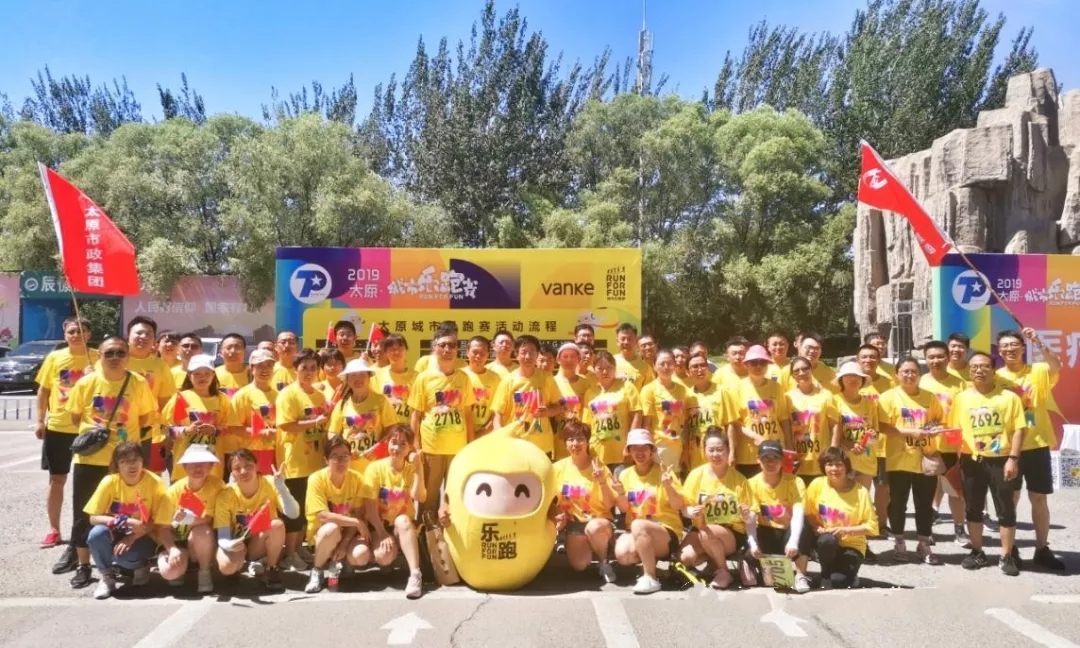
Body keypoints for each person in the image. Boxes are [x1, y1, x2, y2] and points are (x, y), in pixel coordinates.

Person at [63, 336, 156, 589]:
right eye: (109, 353)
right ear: (99, 356)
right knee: (84, 513)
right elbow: (75, 417)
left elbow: (145, 417)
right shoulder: (86, 382)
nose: (115, 358)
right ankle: (84, 565)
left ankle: (122, 561)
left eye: (120, 353)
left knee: (126, 510)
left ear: (128, 356)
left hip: (125, 461)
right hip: (91, 459)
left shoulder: (138, 383)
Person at [949, 351, 1027, 576]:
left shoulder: (1009, 398)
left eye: (984, 366)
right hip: (971, 461)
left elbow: (1019, 429)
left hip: (1001, 460)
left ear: (993, 370)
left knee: (1006, 509)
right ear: (969, 371)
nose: (979, 371)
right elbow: (955, 430)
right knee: (973, 508)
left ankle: (1006, 555)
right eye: (974, 367)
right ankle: (977, 552)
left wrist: (1013, 459)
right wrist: (956, 460)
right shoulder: (962, 398)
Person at [996, 328, 1065, 570]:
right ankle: (1010, 549)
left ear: (1023, 348)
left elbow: (1056, 365)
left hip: (1037, 444)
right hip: (1007, 448)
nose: (1010, 349)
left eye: (1014, 345)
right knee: (1011, 499)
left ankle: (1042, 548)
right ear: (999, 351)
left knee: (1039, 498)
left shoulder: (1038, 371)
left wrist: (1040, 342)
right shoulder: (996, 377)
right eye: (1005, 346)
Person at [36, 317, 97, 559]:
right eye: (72, 331)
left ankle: (93, 530)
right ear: (65, 335)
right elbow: (43, 391)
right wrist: (40, 420)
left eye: (82, 330)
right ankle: (54, 529)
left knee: (93, 482)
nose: (77, 335)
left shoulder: (98, 358)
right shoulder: (54, 358)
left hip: (89, 428)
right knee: (57, 479)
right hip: (59, 427)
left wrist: (94, 375)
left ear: (89, 334)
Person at [84, 441, 175, 600]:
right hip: (117, 530)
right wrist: (123, 521)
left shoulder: (155, 483)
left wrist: (132, 537)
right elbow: (93, 517)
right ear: (117, 465)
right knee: (96, 535)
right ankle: (107, 577)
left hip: (145, 535)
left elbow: (159, 521)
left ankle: (141, 565)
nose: (131, 465)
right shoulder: (109, 481)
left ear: (142, 461)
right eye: (124, 461)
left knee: (124, 558)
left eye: (136, 459)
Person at [879, 358, 946, 565]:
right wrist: (911, 432)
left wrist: (934, 428)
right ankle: (899, 542)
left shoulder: (929, 397)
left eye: (914, 371)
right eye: (905, 371)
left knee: (924, 505)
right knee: (898, 504)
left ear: (919, 374)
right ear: (896, 374)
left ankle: (924, 543)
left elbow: (939, 420)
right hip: (898, 460)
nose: (910, 375)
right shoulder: (888, 397)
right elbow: (882, 426)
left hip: (925, 458)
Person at [408, 322, 476, 517]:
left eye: (452, 345)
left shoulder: (464, 378)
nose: (447, 350)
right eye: (442, 345)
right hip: (431, 448)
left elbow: (468, 414)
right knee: (429, 498)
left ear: (457, 350)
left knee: (456, 496)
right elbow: (416, 415)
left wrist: (471, 445)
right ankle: (427, 531)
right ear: (434, 348)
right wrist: (416, 446)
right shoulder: (424, 378)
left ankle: (451, 534)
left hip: (458, 449)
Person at [276, 348, 331, 570]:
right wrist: (314, 422)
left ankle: (299, 548)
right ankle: (289, 553)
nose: (309, 372)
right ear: (295, 369)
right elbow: (285, 425)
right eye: (304, 368)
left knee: (307, 509)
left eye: (313, 368)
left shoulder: (319, 396)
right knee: (294, 511)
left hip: (315, 462)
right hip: (295, 461)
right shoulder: (288, 394)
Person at [679, 428, 754, 589]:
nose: (716, 454)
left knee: (707, 532)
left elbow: (752, 514)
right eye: (711, 450)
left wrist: (746, 514)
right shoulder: (696, 475)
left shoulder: (740, 480)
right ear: (704, 451)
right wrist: (691, 512)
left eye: (720, 450)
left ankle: (724, 571)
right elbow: (685, 507)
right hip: (700, 529)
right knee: (685, 558)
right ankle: (714, 561)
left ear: (728, 450)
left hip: (731, 532)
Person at [614, 429, 685, 595]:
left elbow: (678, 505)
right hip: (639, 532)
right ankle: (652, 565)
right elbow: (624, 509)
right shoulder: (625, 475)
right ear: (629, 451)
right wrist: (621, 493)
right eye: (635, 448)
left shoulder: (664, 472)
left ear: (652, 450)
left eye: (644, 448)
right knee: (623, 555)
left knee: (638, 525)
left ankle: (650, 577)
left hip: (665, 532)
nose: (640, 452)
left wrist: (668, 486)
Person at [214, 449, 297, 590]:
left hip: (259, 542)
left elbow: (293, 514)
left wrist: (282, 488)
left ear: (257, 466)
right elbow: (223, 537)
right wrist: (230, 545)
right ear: (232, 473)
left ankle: (272, 568)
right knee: (227, 567)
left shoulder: (272, 482)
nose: (243, 471)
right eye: (237, 468)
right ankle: (236, 567)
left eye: (248, 465)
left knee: (277, 525)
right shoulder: (226, 495)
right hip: (237, 543)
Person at [364, 425, 427, 599]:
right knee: (384, 557)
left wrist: (419, 469)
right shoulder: (374, 468)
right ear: (387, 443)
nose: (397, 448)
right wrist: (382, 533)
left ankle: (415, 574)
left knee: (403, 520)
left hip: (402, 526)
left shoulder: (411, 469)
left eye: (403, 444)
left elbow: (419, 497)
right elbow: (369, 507)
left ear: (410, 448)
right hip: (381, 524)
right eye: (393, 442)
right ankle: (385, 556)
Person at [304, 435, 372, 594]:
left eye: (345, 456)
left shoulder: (357, 479)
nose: (341, 461)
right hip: (323, 534)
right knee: (331, 529)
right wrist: (356, 522)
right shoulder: (316, 479)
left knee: (361, 555)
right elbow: (323, 515)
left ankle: (342, 561)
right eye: (335, 457)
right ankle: (317, 570)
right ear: (326, 460)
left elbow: (358, 514)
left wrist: (344, 544)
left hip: (347, 534)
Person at [552, 420, 618, 584]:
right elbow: (550, 499)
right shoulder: (557, 468)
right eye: (570, 439)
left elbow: (610, 504)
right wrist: (556, 515)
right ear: (565, 443)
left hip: (598, 521)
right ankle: (589, 545)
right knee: (580, 565)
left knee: (594, 528)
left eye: (580, 439)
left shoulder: (598, 466)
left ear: (587, 442)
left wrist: (602, 481)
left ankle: (604, 560)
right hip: (573, 524)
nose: (575, 444)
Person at [746, 440, 815, 593]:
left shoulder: (795, 481)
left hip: (789, 532)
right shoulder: (751, 484)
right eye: (766, 458)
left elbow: (798, 512)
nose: (770, 463)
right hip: (767, 532)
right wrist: (753, 543)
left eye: (775, 458)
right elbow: (751, 518)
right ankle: (755, 566)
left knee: (804, 527)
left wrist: (793, 541)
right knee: (772, 580)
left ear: (782, 460)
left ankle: (801, 575)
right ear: (758, 460)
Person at [805, 447, 879, 589]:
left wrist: (845, 530)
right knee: (826, 540)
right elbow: (807, 512)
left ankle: (845, 576)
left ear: (846, 467)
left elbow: (872, 527)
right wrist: (816, 526)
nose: (834, 469)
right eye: (829, 464)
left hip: (851, 546)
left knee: (838, 582)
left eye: (839, 464)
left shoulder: (860, 492)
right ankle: (824, 574)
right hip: (825, 542)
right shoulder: (817, 484)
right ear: (824, 467)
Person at [920, 340, 969, 546]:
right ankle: (926, 531)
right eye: (931, 357)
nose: (936, 360)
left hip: (952, 445)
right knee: (926, 490)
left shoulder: (960, 383)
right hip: (927, 445)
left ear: (948, 358)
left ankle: (959, 529)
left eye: (940, 356)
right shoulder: (920, 382)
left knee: (955, 490)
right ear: (925, 359)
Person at [161, 444, 225, 593]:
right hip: (179, 541)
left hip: (205, 540)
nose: (198, 468)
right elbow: (162, 527)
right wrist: (172, 549)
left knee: (202, 531)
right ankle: (183, 564)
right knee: (169, 572)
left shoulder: (219, 486)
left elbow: (211, 519)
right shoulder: (173, 490)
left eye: (203, 463)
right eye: (192, 464)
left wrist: (188, 519)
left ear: (211, 465)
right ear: (184, 467)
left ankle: (204, 571)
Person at [164, 354, 237, 483]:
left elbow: (230, 428)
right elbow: (166, 429)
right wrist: (186, 430)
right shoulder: (181, 398)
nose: (202, 377)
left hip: (213, 463)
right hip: (185, 464)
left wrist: (215, 431)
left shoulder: (222, 399)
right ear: (189, 375)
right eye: (197, 374)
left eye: (207, 373)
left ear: (213, 375)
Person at [491, 334, 564, 456]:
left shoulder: (546, 378)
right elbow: (497, 413)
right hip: (515, 443)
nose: (528, 356)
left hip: (541, 444)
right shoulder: (508, 381)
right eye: (524, 352)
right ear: (516, 354)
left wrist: (547, 411)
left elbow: (559, 406)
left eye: (532, 352)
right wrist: (499, 433)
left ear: (537, 354)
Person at [123, 317, 177, 476]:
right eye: (139, 333)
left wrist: (167, 431)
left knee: (150, 477)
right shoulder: (116, 360)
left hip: (149, 433)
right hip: (118, 430)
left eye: (148, 334)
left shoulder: (160, 365)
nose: (143, 337)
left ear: (154, 340)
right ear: (128, 336)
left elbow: (166, 402)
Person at [729, 345, 792, 479]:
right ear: (746, 365)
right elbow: (735, 422)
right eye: (754, 363)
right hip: (748, 453)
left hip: (774, 451)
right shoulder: (736, 389)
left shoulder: (776, 387)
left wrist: (789, 447)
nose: (758, 366)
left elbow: (784, 419)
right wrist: (755, 437)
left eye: (762, 363)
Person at [327, 358, 397, 474]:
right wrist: (344, 450)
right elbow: (332, 433)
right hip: (349, 468)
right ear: (347, 380)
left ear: (369, 377)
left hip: (375, 466)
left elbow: (392, 427)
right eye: (353, 375)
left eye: (362, 374)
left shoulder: (380, 401)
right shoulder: (342, 405)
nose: (358, 379)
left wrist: (379, 446)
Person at [582, 350, 642, 468]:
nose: (605, 372)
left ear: (615, 368)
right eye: (600, 368)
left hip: (622, 453)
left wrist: (631, 444)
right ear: (594, 370)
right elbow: (587, 424)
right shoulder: (590, 393)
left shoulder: (627, 387)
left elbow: (637, 414)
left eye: (609, 367)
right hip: (597, 453)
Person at [784, 356, 838, 487]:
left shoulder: (826, 395)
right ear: (792, 375)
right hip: (798, 459)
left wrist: (833, 450)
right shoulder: (787, 398)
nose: (801, 373)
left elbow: (835, 424)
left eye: (805, 369)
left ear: (811, 370)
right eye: (797, 371)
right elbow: (786, 426)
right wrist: (790, 452)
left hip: (820, 458)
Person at [230, 349, 279, 475]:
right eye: (260, 365)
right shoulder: (242, 395)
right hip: (251, 453)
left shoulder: (278, 395)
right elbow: (234, 428)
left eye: (269, 365)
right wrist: (261, 433)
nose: (265, 369)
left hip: (276, 452)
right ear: (252, 368)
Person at [639, 349, 690, 471]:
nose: (666, 367)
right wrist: (648, 448)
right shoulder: (649, 390)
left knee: (677, 480)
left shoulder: (682, 389)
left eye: (670, 363)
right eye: (662, 364)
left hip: (678, 445)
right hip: (659, 445)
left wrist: (685, 447)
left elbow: (684, 421)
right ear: (654, 366)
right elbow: (646, 423)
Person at [684, 354, 734, 470]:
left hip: (718, 451)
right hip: (696, 453)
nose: (699, 369)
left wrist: (731, 452)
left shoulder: (722, 391)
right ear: (688, 372)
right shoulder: (687, 396)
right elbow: (686, 427)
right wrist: (685, 452)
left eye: (703, 365)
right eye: (695, 366)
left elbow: (730, 424)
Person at [552, 342, 594, 460]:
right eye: (565, 356)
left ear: (578, 359)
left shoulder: (587, 383)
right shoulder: (552, 382)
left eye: (573, 356)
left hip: (581, 440)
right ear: (558, 359)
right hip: (559, 440)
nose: (569, 360)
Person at [373, 334, 417, 427]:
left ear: (406, 350)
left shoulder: (417, 377)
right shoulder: (377, 376)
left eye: (400, 348)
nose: (396, 352)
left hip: (407, 428)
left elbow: (417, 410)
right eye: (391, 349)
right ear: (385, 352)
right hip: (385, 428)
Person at [462, 336, 501, 437]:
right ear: (467, 352)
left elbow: (497, 409)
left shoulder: (495, 378)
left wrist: (486, 429)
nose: (478, 356)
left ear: (488, 355)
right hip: (461, 434)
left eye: (482, 353)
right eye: (475, 352)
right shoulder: (459, 376)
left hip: (486, 434)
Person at [614, 323, 654, 390]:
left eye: (629, 339)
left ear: (636, 341)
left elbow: (649, 391)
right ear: (617, 341)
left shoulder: (645, 367)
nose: (626, 342)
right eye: (623, 339)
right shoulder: (610, 362)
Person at [215, 333, 249, 398]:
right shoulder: (212, 375)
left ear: (245, 352)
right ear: (221, 353)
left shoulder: (254, 374)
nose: (233, 351)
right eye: (228, 348)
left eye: (238, 347)